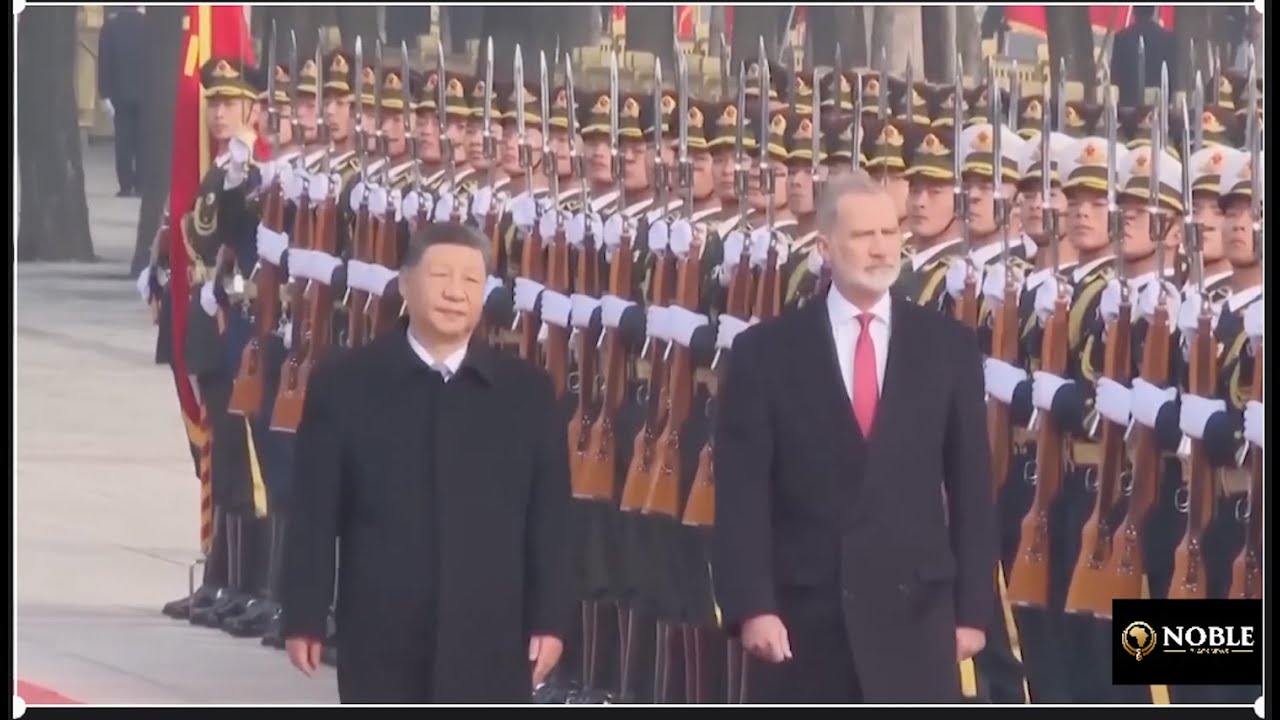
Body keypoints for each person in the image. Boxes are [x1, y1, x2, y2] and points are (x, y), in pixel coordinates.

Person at [711, 169, 998, 704]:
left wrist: (973, 611)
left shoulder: (946, 347)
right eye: (863, 236)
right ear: (826, 246)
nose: (880, 248)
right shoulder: (768, 353)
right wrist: (753, 605)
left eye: (890, 233)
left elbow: (971, 487)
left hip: (915, 613)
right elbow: (742, 495)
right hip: (807, 617)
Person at [280, 221, 574, 704]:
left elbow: (550, 521)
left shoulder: (526, 394)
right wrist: (305, 614)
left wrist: (550, 619)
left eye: (471, 281)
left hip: (493, 636)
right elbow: (314, 512)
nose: (455, 293)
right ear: (405, 282)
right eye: (441, 277)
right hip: (381, 629)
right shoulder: (347, 383)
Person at [97, 6, 146, 197]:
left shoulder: (110, 27)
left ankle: (126, 185)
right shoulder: (148, 26)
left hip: (120, 94)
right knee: (143, 141)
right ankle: (141, 184)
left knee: (123, 141)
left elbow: (104, 62)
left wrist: (104, 93)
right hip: (146, 94)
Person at [1109, 7, 1176, 108]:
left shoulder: (1121, 37)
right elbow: (1171, 77)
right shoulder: (1167, 38)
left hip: (1128, 107)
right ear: (1153, 11)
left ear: (1134, 11)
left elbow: (1114, 77)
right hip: (1158, 105)